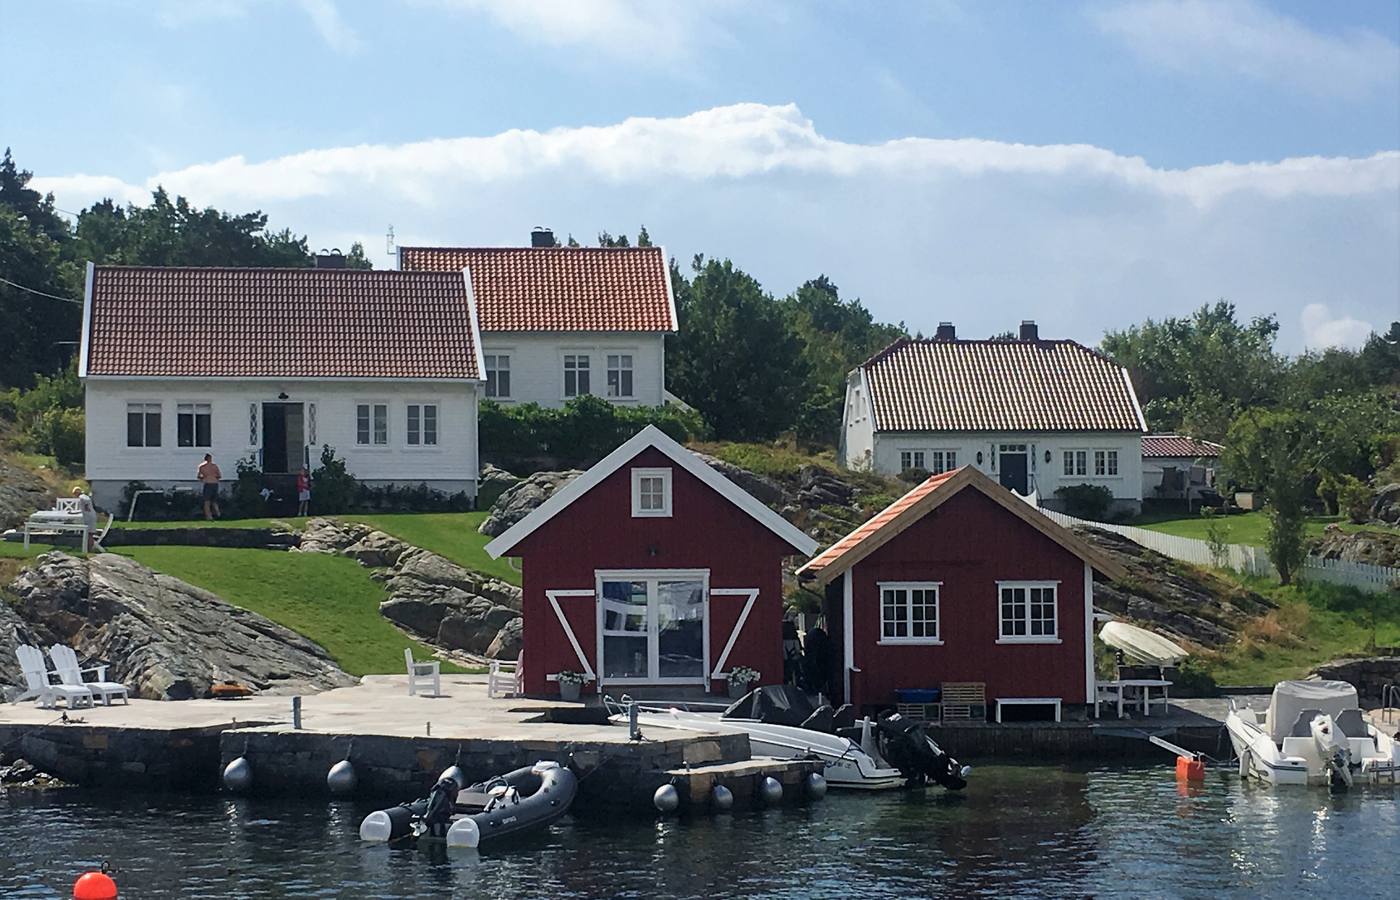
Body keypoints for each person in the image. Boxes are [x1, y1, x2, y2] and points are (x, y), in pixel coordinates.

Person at [72, 486, 98, 552]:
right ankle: (89, 548)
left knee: (89, 534)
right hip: (92, 515)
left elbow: (82, 509)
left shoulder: (81, 498)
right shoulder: (85, 497)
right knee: (90, 534)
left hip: (88, 517)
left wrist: (73, 512)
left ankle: (89, 549)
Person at [197, 453, 222, 520]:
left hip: (207, 483)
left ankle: (209, 516)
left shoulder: (202, 467)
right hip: (215, 483)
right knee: (214, 501)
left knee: (207, 501)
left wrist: (204, 477)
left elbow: (199, 476)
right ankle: (218, 513)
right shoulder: (214, 466)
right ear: (210, 459)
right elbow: (219, 476)